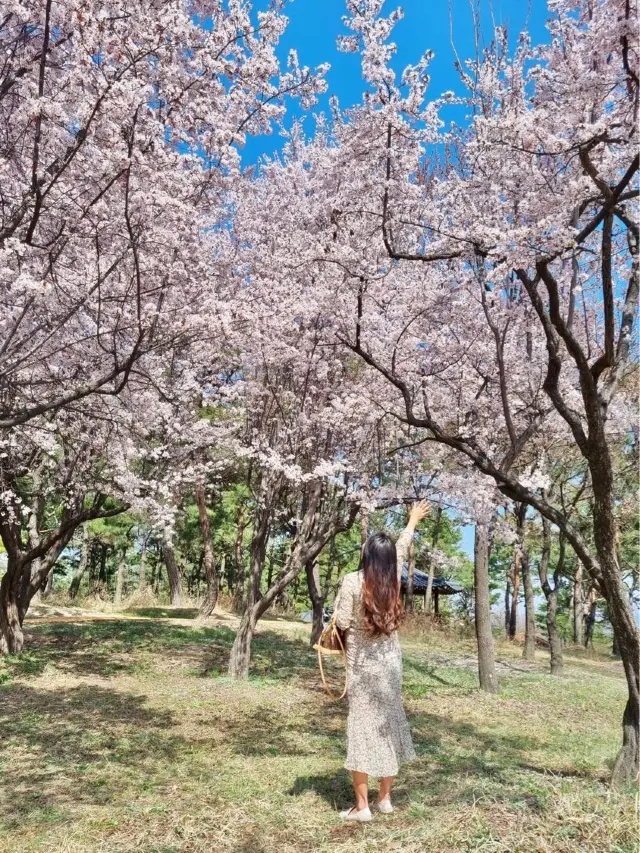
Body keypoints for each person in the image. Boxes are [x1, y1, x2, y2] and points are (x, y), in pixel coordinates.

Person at [333, 500, 430, 821]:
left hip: (362, 670)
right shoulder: (394, 579)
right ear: (388, 561)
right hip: (390, 669)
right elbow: (401, 548)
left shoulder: (351, 581)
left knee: (361, 732)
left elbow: (342, 623)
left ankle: (362, 808)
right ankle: (384, 799)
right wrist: (412, 521)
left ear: (366, 555)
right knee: (387, 728)